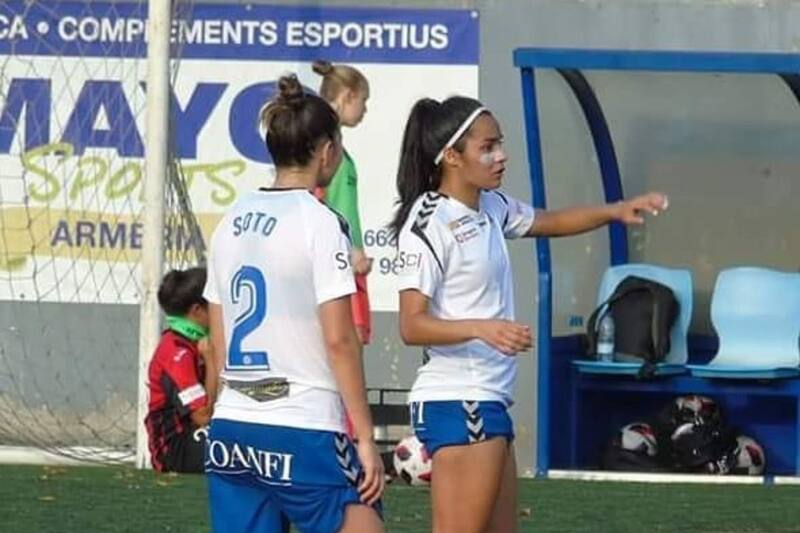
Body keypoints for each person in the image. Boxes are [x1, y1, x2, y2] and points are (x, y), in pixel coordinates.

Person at [391, 96, 668, 533]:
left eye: (500, 144)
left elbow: (548, 221)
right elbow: (411, 325)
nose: (501, 156)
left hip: (488, 399)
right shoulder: (428, 223)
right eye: (487, 147)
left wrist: (615, 211)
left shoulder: (491, 206)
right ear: (452, 156)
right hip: (459, 398)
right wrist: (484, 329)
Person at [203, 74, 384, 533]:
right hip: (302, 426)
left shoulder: (229, 221)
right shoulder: (320, 222)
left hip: (232, 427)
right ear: (327, 151)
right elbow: (340, 340)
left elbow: (218, 342)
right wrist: (365, 437)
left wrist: (226, 414)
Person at [312, 59, 372, 344]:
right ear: (348, 96)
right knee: (346, 343)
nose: (365, 109)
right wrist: (349, 250)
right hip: (337, 265)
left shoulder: (338, 150)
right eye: (363, 101)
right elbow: (321, 203)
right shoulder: (322, 151)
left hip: (346, 261)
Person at [145, 267, 217, 474]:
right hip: (174, 448)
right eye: (214, 306)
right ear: (197, 310)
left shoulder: (192, 342)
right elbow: (203, 416)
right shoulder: (177, 353)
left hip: (194, 434)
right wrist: (211, 361)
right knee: (237, 449)